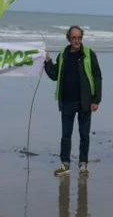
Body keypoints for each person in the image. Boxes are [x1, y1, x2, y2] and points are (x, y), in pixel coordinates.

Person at [42, 26, 104, 177]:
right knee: (66, 135)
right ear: (68, 39)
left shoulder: (89, 54)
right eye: (73, 38)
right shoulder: (63, 54)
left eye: (79, 38)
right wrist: (47, 61)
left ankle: (83, 165)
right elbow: (54, 75)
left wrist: (96, 99)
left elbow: (97, 76)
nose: (76, 40)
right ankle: (65, 164)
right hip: (67, 101)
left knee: (84, 135)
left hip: (85, 101)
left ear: (82, 38)